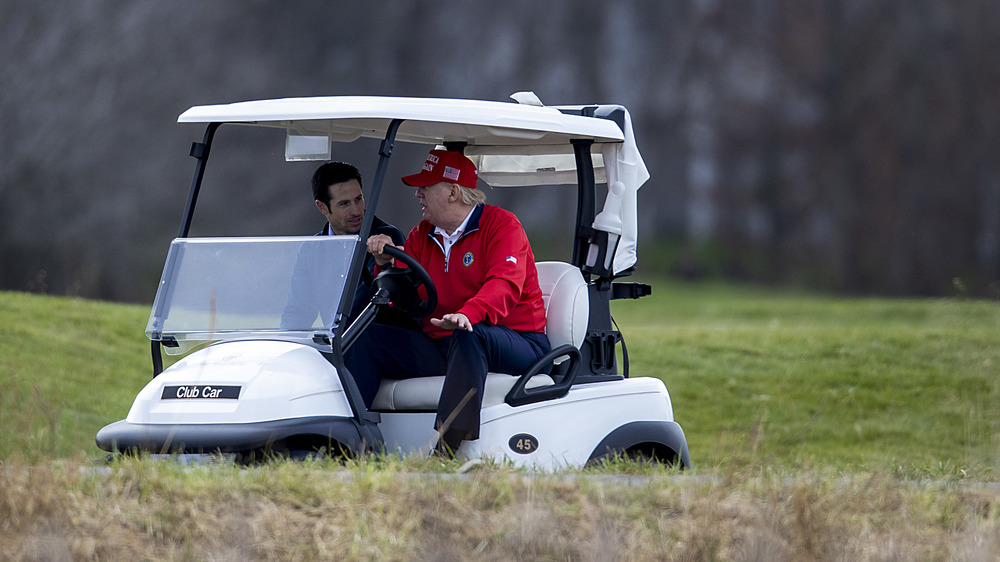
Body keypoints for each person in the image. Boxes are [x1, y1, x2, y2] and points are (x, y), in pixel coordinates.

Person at [345, 150, 551, 455]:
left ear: (453, 192)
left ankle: (448, 446)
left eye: (425, 188)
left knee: (471, 334)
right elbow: (402, 291)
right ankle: (352, 439)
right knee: (367, 339)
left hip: (517, 341)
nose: (418, 195)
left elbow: (504, 285)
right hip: (446, 342)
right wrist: (382, 264)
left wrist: (467, 314)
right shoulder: (422, 235)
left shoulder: (502, 226)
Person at [280, 162, 406, 330]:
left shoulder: (385, 238)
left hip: (376, 344)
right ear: (322, 207)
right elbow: (299, 310)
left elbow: (372, 303)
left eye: (358, 199)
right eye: (344, 204)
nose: (355, 210)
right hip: (339, 346)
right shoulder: (311, 249)